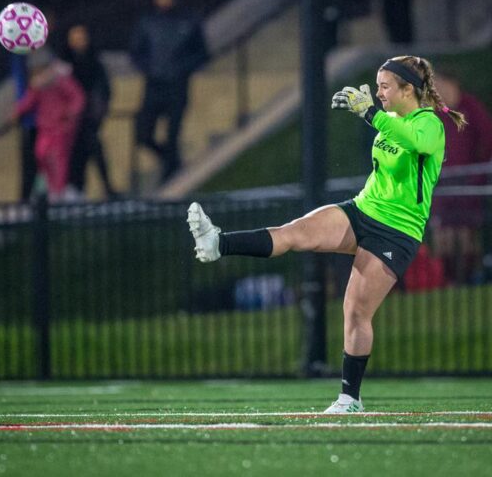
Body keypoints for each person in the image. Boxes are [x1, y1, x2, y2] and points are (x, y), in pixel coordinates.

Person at [187, 56, 466, 413]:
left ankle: (350, 399)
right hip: (363, 209)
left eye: (385, 86)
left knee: (355, 312)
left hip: (396, 232)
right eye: (377, 86)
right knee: (293, 234)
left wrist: (371, 114)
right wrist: (374, 115)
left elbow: (418, 144)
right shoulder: (390, 119)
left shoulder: (429, 123)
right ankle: (217, 242)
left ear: (407, 89)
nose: (378, 93)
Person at [130, 0, 209, 182]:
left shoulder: (189, 21)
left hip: (177, 85)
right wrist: (149, 68)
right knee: (143, 134)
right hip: (154, 85)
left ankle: (169, 174)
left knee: (172, 133)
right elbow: (136, 52)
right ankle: (170, 160)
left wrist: (182, 69)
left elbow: (202, 53)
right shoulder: (148, 22)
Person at [430, 69, 492, 284]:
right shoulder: (433, 112)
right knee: (443, 236)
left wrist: (479, 170)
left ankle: (471, 279)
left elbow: (489, 137)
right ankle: (447, 281)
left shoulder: (470, 106)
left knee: (466, 234)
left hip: (467, 180)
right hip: (441, 182)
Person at [11, 47, 86, 201]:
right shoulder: (39, 85)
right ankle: (52, 187)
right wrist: (17, 111)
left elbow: (77, 97)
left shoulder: (61, 80)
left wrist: (70, 113)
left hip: (61, 127)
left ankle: (58, 190)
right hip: (45, 127)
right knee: (41, 153)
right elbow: (29, 100)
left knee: (58, 159)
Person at [63, 24, 118, 200]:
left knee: (94, 151)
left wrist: (99, 110)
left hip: (89, 118)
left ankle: (106, 189)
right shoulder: (65, 65)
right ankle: (78, 189)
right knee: (77, 157)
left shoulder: (95, 62)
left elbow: (104, 89)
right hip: (72, 120)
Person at [10, 54, 38, 201]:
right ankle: (26, 199)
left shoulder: (37, 55)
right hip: (30, 121)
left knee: (39, 162)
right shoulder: (19, 58)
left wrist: (19, 110)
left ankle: (28, 199)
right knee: (29, 164)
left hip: (40, 121)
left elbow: (34, 88)